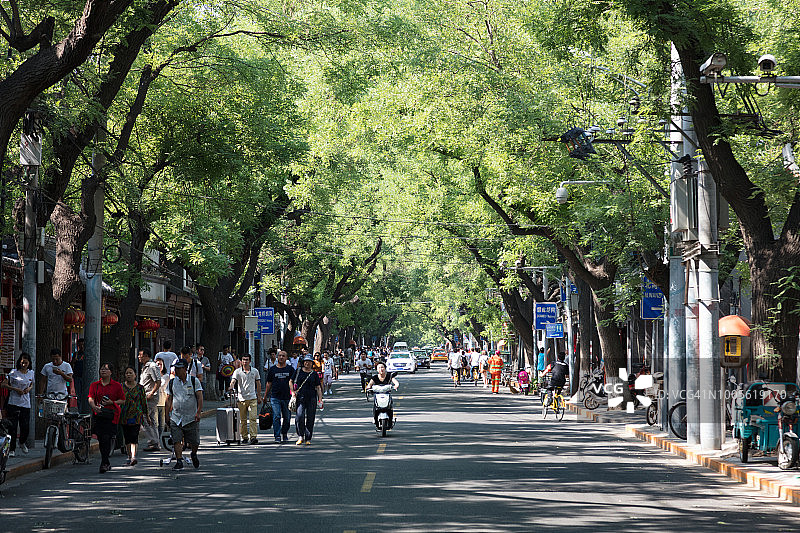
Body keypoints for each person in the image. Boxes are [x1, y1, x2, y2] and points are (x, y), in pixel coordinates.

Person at [165, 359, 203, 470]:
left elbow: (200, 397)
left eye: (179, 368)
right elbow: (168, 399)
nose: (176, 370)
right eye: (175, 368)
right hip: (176, 417)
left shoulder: (194, 380)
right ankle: (179, 460)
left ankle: (194, 454)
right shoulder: (172, 382)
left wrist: (198, 412)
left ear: (185, 369)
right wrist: (167, 414)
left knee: (194, 442)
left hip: (191, 417)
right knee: (176, 439)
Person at [88, 362, 125, 473]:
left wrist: (112, 402)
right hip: (98, 414)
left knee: (106, 438)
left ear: (111, 372)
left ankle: (104, 462)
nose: (103, 371)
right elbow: (90, 397)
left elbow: (122, 400)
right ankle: (105, 461)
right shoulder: (95, 385)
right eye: (101, 369)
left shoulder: (117, 386)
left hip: (111, 415)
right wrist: (94, 406)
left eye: (105, 369)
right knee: (101, 438)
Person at [1, 353, 34, 456]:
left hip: (25, 403)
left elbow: (31, 383)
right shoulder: (13, 373)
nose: (24, 365)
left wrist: (29, 388)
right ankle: (12, 449)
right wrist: (15, 389)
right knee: (13, 427)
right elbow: (3, 384)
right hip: (14, 402)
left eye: (26, 363)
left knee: (25, 427)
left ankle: (22, 442)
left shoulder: (31, 373)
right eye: (22, 362)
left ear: (29, 363)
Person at [290, 354, 323, 445]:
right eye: (305, 361)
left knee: (310, 418)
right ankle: (300, 435)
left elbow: (318, 387)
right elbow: (291, 381)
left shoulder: (314, 374)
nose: (307, 363)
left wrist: (320, 400)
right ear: (303, 362)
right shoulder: (298, 371)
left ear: (312, 363)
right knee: (299, 416)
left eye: (309, 362)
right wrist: (293, 392)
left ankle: (308, 438)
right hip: (300, 398)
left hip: (312, 398)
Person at [229, 354, 261, 444]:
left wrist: (259, 396)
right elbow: (233, 381)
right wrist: (231, 386)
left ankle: (253, 437)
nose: (245, 362)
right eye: (243, 360)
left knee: (253, 418)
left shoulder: (255, 371)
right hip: (241, 399)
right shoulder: (237, 371)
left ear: (250, 361)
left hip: (252, 398)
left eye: (247, 360)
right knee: (242, 420)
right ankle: (245, 437)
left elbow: (258, 384)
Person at [263, 350, 293, 444]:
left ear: (286, 358)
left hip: (287, 397)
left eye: (283, 356)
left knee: (287, 417)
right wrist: (265, 396)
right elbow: (269, 383)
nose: (281, 357)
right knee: (276, 416)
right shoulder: (272, 369)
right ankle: (277, 436)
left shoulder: (290, 369)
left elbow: (293, 382)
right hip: (275, 397)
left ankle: (284, 433)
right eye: (279, 356)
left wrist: (294, 394)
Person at [120, 366, 147, 466]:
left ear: (135, 375)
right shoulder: (121, 387)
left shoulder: (140, 388)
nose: (128, 375)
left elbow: (144, 402)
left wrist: (146, 416)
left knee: (134, 436)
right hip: (124, 415)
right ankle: (129, 455)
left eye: (131, 373)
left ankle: (133, 456)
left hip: (137, 415)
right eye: (127, 373)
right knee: (127, 437)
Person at [138, 349, 161, 451]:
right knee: (151, 420)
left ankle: (153, 441)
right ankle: (155, 441)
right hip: (145, 396)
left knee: (144, 418)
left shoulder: (152, 366)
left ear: (146, 356)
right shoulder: (145, 367)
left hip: (150, 397)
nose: (139, 357)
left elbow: (158, 381)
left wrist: (151, 393)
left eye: (140, 355)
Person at [365, 361, 399, 427]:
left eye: (382, 367)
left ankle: (390, 421)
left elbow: (396, 383)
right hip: (378, 395)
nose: (381, 369)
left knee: (390, 408)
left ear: (385, 368)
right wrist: (368, 388)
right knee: (376, 407)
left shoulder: (389, 376)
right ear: (377, 369)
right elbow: (369, 385)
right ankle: (375, 420)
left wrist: (396, 386)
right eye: (379, 368)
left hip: (387, 394)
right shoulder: (374, 377)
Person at [155, 358, 169, 438]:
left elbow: (168, 392)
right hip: (154, 403)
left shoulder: (166, 377)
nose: (159, 366)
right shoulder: (152, 376)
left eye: (161, 364)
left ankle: (158, 439)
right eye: (157, 364)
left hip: (163, 403)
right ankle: (155, 441)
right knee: (155, 424)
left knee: (162, 425)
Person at [72, 338, 86, 407]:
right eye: (80, 345)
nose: (82, 347)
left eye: (83, 345)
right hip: (77, 376)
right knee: (78, 394)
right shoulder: (76, 354)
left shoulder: (88, 354)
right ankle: (80, 410)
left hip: (85, 377)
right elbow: (72, 364)